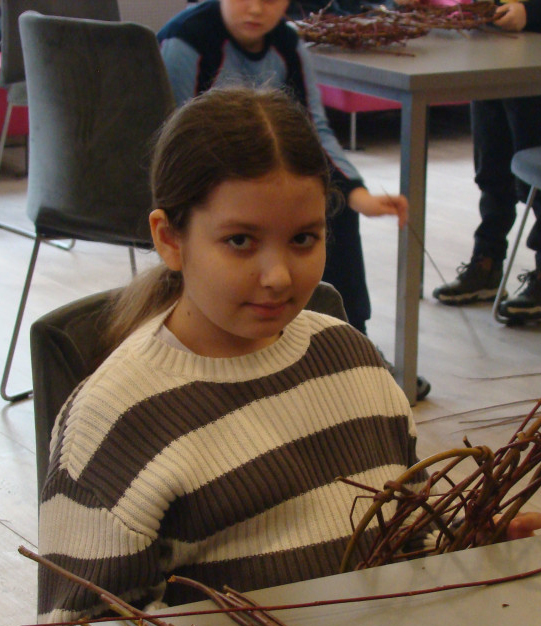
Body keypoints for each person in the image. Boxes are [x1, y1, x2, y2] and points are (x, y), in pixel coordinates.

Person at [37, 88, 541, 622]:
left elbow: (404, 540)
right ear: (170, 240)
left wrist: (463, 547)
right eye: (240, 241)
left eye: (303, 239)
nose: (278, 276)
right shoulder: (114, 419)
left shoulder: (353, 359)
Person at [156, 1, 413, 367]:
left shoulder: (288, 43)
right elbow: (169, 140)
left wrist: (357, 192)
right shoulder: (186, 40)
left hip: (264, 177)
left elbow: (312, 129)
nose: (257, 9)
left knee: (335, 206)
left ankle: (351, 338)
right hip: (202, 184)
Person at [430, 0, 541, 320]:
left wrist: (529, 11)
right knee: (490, 171)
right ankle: (487, 265)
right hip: (485, 50)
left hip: (537, 58)